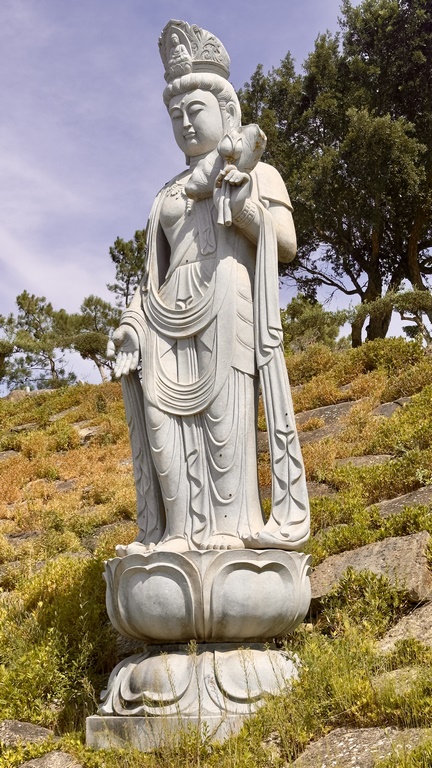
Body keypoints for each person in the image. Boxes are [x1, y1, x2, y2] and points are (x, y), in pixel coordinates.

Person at [108, 21, 309, 555]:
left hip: (225, 298)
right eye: (175, 115)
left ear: (226, 111)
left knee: (224, 423)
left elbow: (285, 243)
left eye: (194, 109)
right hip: (165, 317)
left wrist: (242, 205)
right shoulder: (166, 195)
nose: (184, 122)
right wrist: (130, 325)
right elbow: (150, 276)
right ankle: (176, 532)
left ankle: (229, 527)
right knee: (163, 427)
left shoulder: (256, 172)